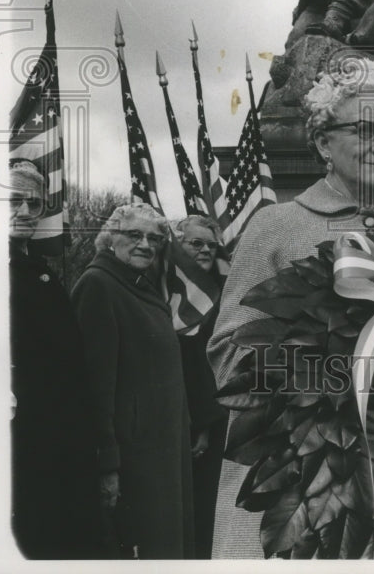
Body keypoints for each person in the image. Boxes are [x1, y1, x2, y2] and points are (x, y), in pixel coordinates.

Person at [207, 57, 374, 558]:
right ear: (324, 142)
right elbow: (226, 354)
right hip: (299, 477)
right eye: (365, 129)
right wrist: (323, 367)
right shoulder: (275, 226)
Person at [71, 203, 195, 559]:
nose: (146, 244)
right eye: (134, 235)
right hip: (134, 457)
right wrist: (107, 464)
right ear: (110, 237)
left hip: (164, 451)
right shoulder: (99, 284)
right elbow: (94, 385)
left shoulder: (139, 285)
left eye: (155, 238)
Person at [9, 160, 103, 559]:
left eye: (35, 204)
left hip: (56, 445)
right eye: (14, 201)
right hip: (15, 446)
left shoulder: (37, 270)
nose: (27, 213)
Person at [173, 214, 228, 560]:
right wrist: (200, 425)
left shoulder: (221, 292)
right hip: (185, 419)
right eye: (196, 243)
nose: (206, 250)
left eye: (211, 245)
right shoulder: (170, 291)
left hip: (218, 416)